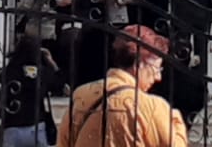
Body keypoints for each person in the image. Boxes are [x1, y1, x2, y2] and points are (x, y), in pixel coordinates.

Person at [56, 25, 186, 147]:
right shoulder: (151, 107)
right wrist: (174, 118)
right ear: (139, 65)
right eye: (157, 69)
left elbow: (63, 142)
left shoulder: (82, 94)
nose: (158, 77)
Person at [0, 27, 65, 147]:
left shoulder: (9, 72)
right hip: (36, 127)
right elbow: (60, 83)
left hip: (12, 127)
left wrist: (2, 116)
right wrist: (51, 61)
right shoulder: (41, 72)